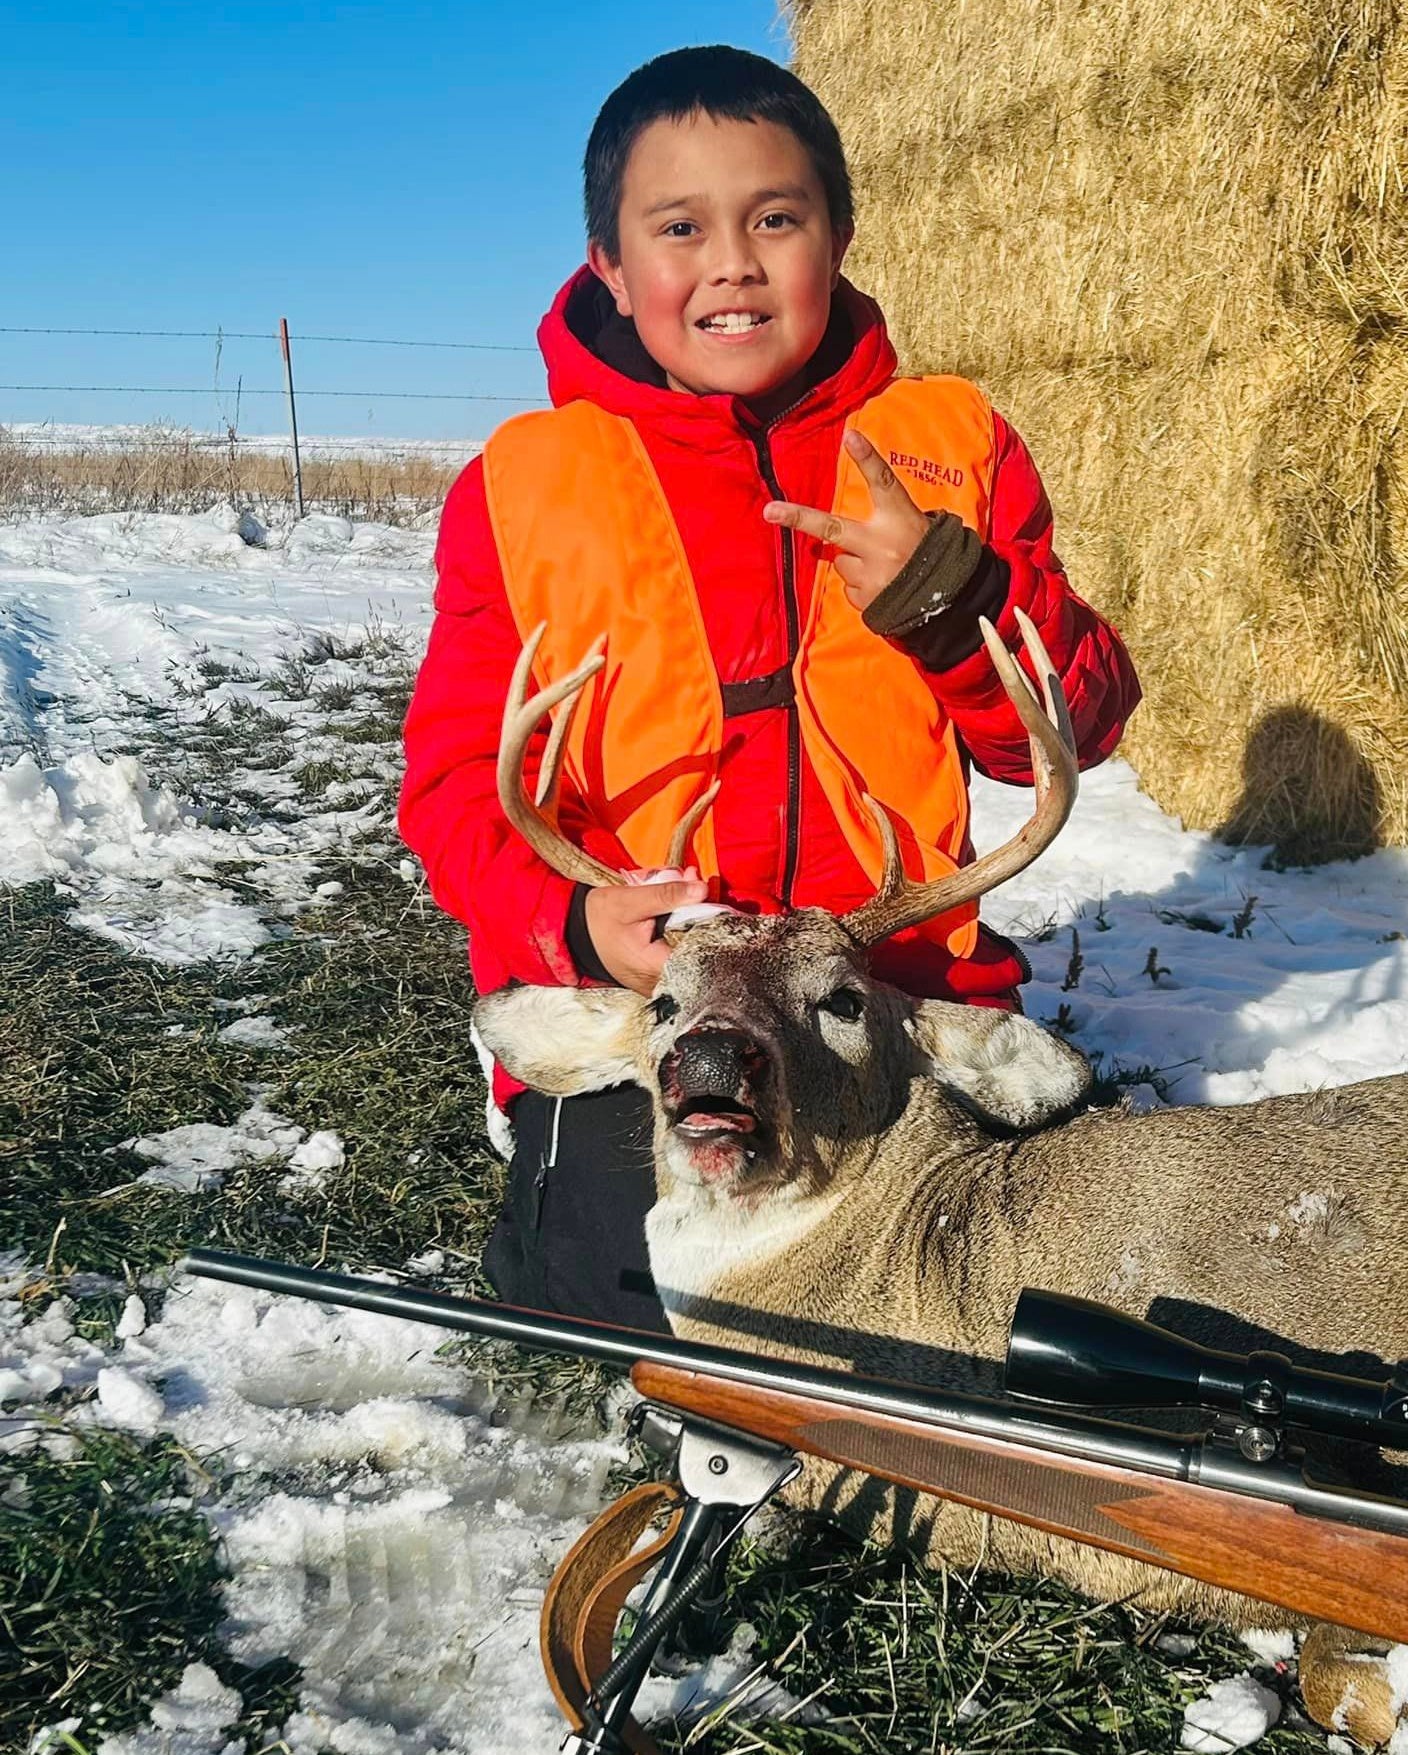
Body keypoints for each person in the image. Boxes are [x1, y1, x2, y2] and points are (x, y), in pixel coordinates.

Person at [399, 45, 1140, 1332]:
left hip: (886, 997)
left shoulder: (945, 455)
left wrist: (949, 600)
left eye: (775, 219)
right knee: (610, 1305)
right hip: (657, 994)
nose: (732, 262)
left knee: (1028, 1309)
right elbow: (457, 785)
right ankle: (551, 1131)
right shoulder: (523, 489)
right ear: (612, 269)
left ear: (838, 239)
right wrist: (576, 931)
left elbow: (1070, 729)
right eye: (680, 227)